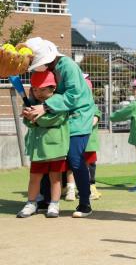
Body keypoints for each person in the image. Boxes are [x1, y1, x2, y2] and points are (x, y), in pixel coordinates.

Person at [22, 37, 95, 218]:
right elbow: (38, 94)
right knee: (49, 156)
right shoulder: (49, 69)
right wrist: (32, 107)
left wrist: (44, 107)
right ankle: (47, 200)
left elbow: (74, 94)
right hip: (57, 116)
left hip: (78, 117)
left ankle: (85, 203)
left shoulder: (67, 65)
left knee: (75, 159)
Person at [17, 71, 69, 218]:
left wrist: (34, 117)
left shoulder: (59, 100)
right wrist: (28, 115)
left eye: (43, 89)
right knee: (34, 177)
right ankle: (31, 203)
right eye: (35, 89)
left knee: (56, 177)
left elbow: (55, 120)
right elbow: (30, 123)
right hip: (38, 149)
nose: (38, 92)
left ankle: (54, 204)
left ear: (53, 88)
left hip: (56, 148)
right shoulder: (32, 102)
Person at [83, 74, 102, 200]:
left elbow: (94, 120)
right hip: (79, 143)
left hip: (89, 144)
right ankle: (73, 188)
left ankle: (91, 187)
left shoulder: (92, 106)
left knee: (90, 165)